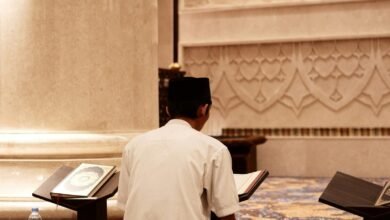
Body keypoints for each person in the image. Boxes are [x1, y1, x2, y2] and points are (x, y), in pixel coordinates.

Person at [117, 77, 239, 220]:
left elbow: (126, 205)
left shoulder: (133, 146)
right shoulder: (214, 149)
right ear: (203, 109)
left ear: (168, 110)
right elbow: (226, 212)